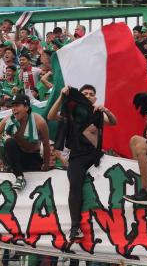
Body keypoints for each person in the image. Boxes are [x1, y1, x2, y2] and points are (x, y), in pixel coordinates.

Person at [47, 85, 117, 240]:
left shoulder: (97, 113)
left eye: (91, 94)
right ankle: (75, 227)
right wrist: (61, 96)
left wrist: (106, 110)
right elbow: (51, 116)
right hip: (77, 156)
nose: (88, 95)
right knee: (75, 186)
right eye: (84, 93)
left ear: (95, 98)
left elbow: (113, 122)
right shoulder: (70, 112)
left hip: (96, 156)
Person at [0, 93, 51, 191]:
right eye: (12, 106)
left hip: (32, 156)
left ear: (26, 107)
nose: (13, 109)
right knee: (9, 142)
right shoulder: (8, 120)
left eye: (17, 106)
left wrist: (46, 164)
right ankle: (19, 177)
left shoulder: (40, 122)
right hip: (15, 157)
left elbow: (46, 145)